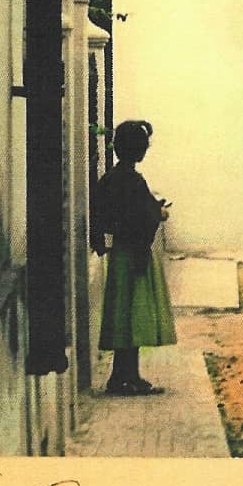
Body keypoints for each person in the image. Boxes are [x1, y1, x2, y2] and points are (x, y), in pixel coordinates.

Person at [91, 119, 177, 395]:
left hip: (120, 253)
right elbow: (145, 216)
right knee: (135, 315)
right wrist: (160, 212)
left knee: (123, 316)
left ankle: (125, 375)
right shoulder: (134, 181)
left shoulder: (109, 179)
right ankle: (125, 377)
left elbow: (101, 215)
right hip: (135, 254)